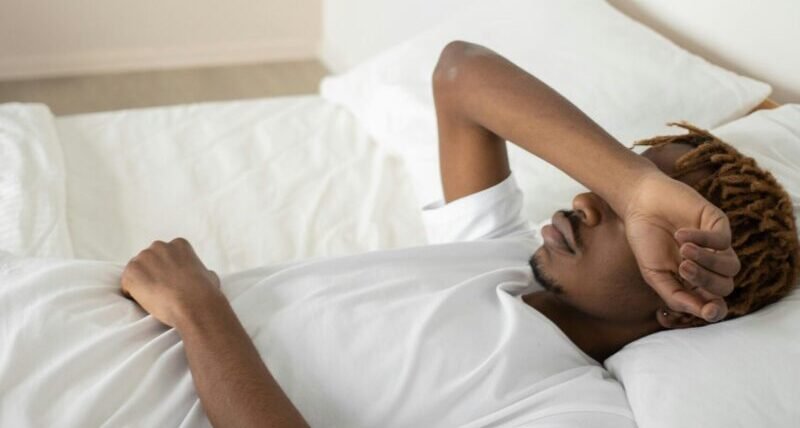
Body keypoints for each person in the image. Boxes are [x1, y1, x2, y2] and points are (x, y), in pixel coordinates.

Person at [118, 41, 799, 427]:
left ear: (679, 307)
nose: (589, 198)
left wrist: (201, 312)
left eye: (626, 219)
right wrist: (639, 189)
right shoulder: (494, 250)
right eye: (612, 185)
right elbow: (459, 74)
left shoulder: (566, 407)